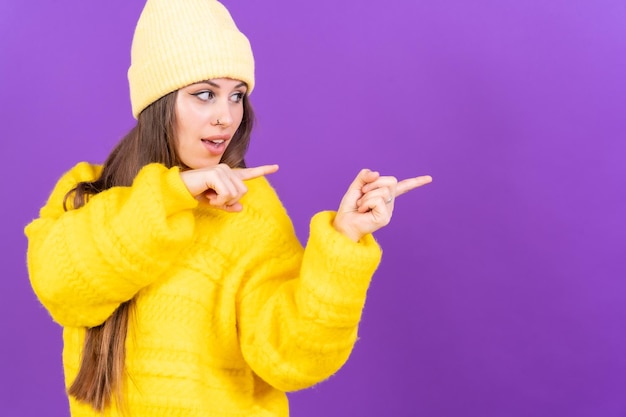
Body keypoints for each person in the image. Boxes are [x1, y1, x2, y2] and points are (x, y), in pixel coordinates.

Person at [24, 0, 432, 416]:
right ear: (158, 103)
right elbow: (61, 288)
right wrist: (171, 195)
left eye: (237, 96)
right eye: (205, 95)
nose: (226, 116)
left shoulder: (247, 206)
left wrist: (343, 241)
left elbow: (291, 358)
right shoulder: (89, 192)